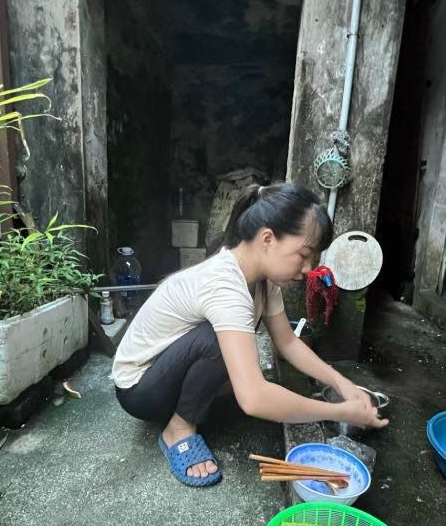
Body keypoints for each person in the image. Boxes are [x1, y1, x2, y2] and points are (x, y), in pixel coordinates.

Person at [112, 183, 388, 487]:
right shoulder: (225, 285)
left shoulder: (262, 279)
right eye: (304, 254)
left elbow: (287, 342)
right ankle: (178, 429)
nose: (308, 269)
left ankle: (202, 398)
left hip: (168, 370)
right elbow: (254, 400)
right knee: (219, 343)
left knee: (238, 358)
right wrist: (340, 411)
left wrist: (342, 383)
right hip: (141, 389)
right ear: (267, 239)